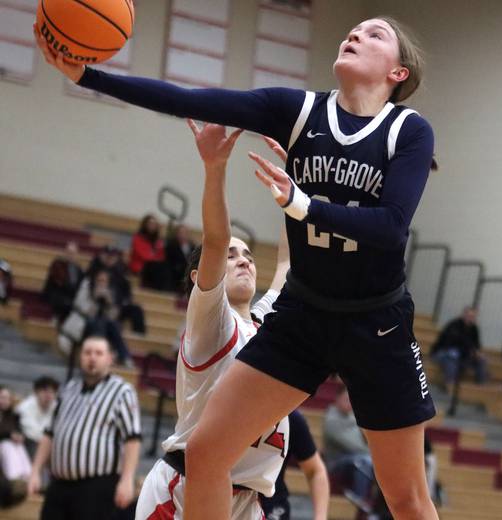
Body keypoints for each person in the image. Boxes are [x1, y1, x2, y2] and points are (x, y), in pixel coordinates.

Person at [34, 16, 438, 519]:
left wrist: (303, 203)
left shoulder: (410, 130)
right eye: (352, 28)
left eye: (374, 34)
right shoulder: (297, 111)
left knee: (406, 499)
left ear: (398, 73)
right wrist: (88, 77)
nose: (354, 34)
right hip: (303, 316)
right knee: (204, 454)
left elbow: (393, 227)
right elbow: (190, 99)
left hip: (376, 322)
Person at [134, 120, 291, 520]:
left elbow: (289, 264)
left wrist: (297, 194)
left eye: (250, 257)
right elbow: (217, 240)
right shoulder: (212, 323)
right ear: (199, 275)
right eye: (235, 256)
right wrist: (215, 168)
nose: (245, 260)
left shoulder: (265, 325)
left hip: (246, 502)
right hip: (184, 492)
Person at [28, 336, 141, 519]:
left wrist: (127, 479)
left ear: (109, 359)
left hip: (97, 487)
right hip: (59, 484)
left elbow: (132, 439)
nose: (92, 358)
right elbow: (49, 434)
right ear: (80, 356)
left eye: (98, 353)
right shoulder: (68, 389)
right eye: (87, 352)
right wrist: (35, 471)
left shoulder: (122, 391)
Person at [259, 410, 329, 520]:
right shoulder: (229, 408)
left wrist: (320, 517)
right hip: (231, 499)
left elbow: (316, 471)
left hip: (272, 506)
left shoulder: (291, 418)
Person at [323, 387, 375, 507]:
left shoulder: (353, 416)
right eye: (346, 399)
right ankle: (359, 499)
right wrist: (374, 454)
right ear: (337, 399)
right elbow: (353, 446)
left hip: (355, 458)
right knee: (364, 461)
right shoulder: (332, 420)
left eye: (352, 399)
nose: (350, 403)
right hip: (337, 462)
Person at [71, 269, 133, 366]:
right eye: (99, 280)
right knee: (99, 324)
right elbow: (83, 309)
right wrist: (94, 299)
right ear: (95, 280)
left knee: (113, 325)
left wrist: (109, 303)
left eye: (104, 281)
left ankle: (125, 357)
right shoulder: (86, 288)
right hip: (84, 322)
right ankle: (103, 357)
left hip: (104, 326)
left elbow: (114, 316)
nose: (101, 283)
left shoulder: (109, 292)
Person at [430, 306, 488, 386]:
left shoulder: (474, 329)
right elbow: (450, 344)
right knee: (452, 358)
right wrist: (470, 351)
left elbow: (476, 345)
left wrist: (477, 353)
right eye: (469, 316)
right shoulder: (454, 325)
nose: (471, 318)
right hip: (444, 352)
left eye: (473, 317)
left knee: (482, 360)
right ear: (463, 315)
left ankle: (481, 386)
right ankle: (450, 385)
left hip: (463, 355)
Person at [14, 376, 59, 458]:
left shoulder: (57, 407)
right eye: (45, 391)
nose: (48, 396)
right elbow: (31, 432)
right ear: (36, 392)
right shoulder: (25, 407)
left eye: (52, 392)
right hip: (29, 443)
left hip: (49, 444)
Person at [41, 242, 83, 323]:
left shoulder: (78, 268)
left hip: (71, 295)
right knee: (64, 301)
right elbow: (59, 282)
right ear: (64, 252)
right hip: (57, 292)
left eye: (73, 253)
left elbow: (80, 283)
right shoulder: (57, 264)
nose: (70, 255)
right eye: (69, 253)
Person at [130, 214, 171, 291]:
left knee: (166, 268)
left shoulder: (158, 240)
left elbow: (162, 257)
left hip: (154, 267)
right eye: (150, 224)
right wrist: (154, 256)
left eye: (154, 224)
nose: (152, 226)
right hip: (141, 266)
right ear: (145, 224)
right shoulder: (138, 238)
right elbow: (144, 256)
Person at [0, 386, 31, 483]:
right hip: (4, 445)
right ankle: (14, 479)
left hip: (12, 445)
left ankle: (27, 477)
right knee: (7, 445)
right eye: (2, 397)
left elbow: (18, 430)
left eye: (7, 398)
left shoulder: (13, 416)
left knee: (19, 446)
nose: (5, 401)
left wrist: (19, 436)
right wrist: (9, 435)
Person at [165, 223, 197, 293]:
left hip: (188, 273)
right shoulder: (172, 246)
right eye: (181, 233)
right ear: (177, 234)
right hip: (176, 273)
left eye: (185, 233)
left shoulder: (192, 247)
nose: (183, 235)